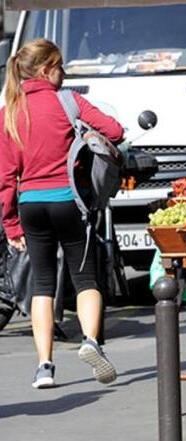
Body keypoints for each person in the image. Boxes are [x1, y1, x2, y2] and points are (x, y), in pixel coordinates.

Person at [0, 39, 124, 389]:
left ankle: (44, 367)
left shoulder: (9, 112)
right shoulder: (69, 101)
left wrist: (10, 224)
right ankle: (90, 341)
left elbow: (5, 176)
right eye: (60, 66)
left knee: (42, 283)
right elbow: (115, 131)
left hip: (30, 205)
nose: (64, 72)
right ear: (45, 70)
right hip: (69, 201)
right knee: (85, 279)